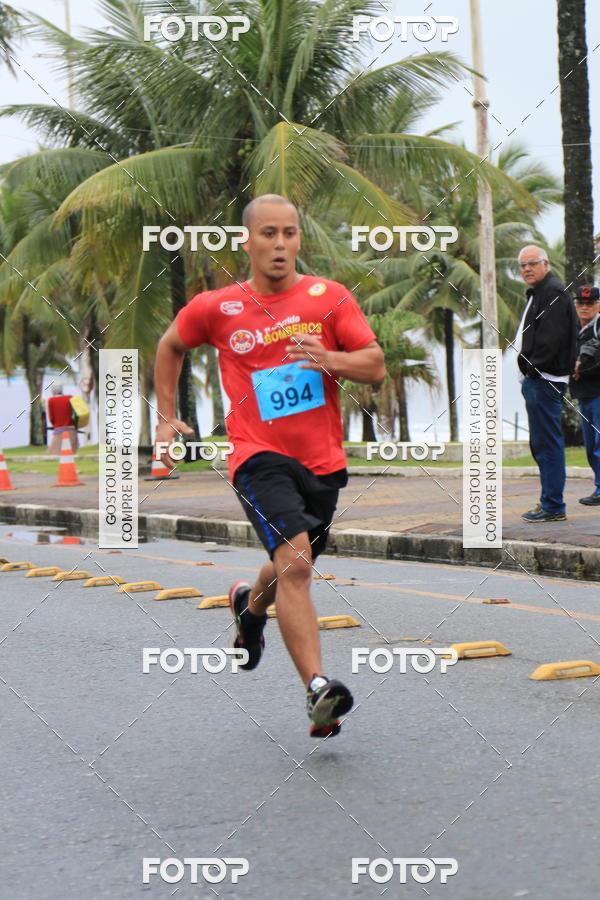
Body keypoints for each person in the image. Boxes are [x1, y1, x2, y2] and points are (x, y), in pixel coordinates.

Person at [154, 194, 386, 737]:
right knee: (299, 566)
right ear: (247, 241)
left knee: (286, 566)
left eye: (288, 234)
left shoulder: (329, 298)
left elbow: (374, 365)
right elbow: (170, 345)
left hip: (323, 464)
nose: (279, 244)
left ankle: (248, 607)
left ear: (299, 239)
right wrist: (166, 417)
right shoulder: (217, 306)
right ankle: (317, 690)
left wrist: (330, 359)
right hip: (258, 458)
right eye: (268, 234)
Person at [514, 245, 578, 522]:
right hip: (542, 380)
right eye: (523, 265)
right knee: (542, 444)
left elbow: (551, 339)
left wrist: (532, 369)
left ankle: (553, 505)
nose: (527, 268)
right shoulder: (544, 291)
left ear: (546, 264)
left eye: (533, 263)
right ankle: (549, 502)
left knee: (547, 444)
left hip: (544, 380)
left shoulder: (551, 291)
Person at [570, 286, 600, 505]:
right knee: (590, 447)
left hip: (598, 393)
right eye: (581, 303)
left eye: (590, 303)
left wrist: (583, 370)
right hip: (583, 395)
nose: (585, 307)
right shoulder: (573, 331)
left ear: (598, 305)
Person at [46, 383, 79, 454]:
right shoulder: (70, 397)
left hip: (59, 428)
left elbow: (51, 417)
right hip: (71, 427)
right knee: (72, 451)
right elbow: (76, 413)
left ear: (53, 390)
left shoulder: (51, 400)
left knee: (54, 452)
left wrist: (54, 425)